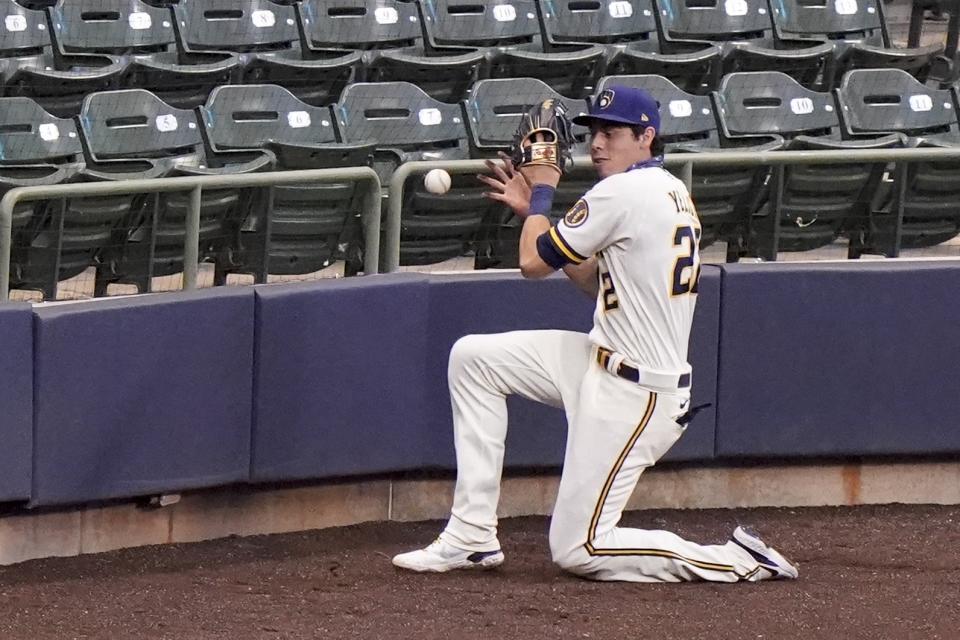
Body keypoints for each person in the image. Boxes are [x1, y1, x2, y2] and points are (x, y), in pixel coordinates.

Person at [392, 86, 798, 582]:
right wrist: (535, 218)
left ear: (646, 136)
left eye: (612, 132)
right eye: (593, 133)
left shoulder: (622, 192)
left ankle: (738, 559)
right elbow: (598, 286)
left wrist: (542, 192)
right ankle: (471, 535)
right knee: (474, 358)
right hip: (601, 361)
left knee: (579, 549)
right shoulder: (667, 190)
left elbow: (530, 264)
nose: (597, 145)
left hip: (637, 393)